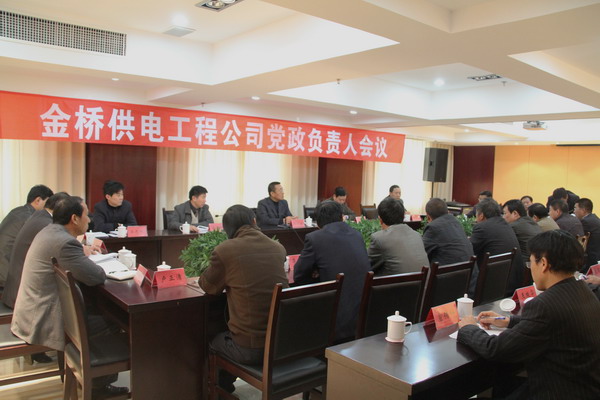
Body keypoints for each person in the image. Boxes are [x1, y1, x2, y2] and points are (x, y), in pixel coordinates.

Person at [458, 230, 600, 400]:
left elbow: (497, 349)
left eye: (531, 262)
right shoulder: (584, 291)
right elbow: (551, 324)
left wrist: (469, 328)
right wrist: (507, 320)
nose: (530, 267)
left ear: (543, 263)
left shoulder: (545, 305)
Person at [11, 196, 127, 398]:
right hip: (43, 316)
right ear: (74, 218)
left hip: (33, 307)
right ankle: (99, 387)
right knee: (113, 319)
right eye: (86, 215)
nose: (89, 219)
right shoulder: (64, 242)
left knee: (97, 310)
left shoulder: (50, 231)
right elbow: (95, 276)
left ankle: (90, 377)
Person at [199, 205, 288, 394]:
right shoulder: (278, 248)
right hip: (281, 343)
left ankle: (218, 392)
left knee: (211, 339)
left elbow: (207, 286)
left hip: (251, 349)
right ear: (254, 221)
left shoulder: (225, 250)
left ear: (227, 230)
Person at [294, 201, 370, 342]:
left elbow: (298, 275)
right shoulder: (357, 235)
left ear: (317, 223)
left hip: (335, 320)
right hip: (364, 317)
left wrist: (318, 279)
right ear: (342, 217)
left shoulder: (315, 238)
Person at [2, 192, 71, 309]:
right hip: (20, 294)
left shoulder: (37, 215)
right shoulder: (46, 223)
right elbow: (61, 250)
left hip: (12, 282)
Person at [0, 184, 53, 288]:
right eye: (48, 203)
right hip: (7, 274)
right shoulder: (31, 218)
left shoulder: (18, 210)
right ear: (38, 200)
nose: (49, 209)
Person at [470, 198, 523, 296]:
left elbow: (469, 251)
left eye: (476, 215)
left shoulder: (482, 227)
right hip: (512, 282)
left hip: (493, 286)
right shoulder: (506, 225)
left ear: (481, 215)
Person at [368, 197, 429, 276]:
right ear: (403, 217)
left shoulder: (379, 239)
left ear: (380, 220)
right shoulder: (416, 235)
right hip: (425, 283)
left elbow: (366, 266)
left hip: (398, 283)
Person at [422, 198, 473, 266]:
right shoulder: (456, 222)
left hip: (449, 271)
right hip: (470, 270)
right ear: (448, 212)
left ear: (428, 217)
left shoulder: (433, 227)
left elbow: (421, 253)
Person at [502, 199, 542, 266]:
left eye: (505, 213)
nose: (503, 217)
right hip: (537, 263)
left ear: (515, 213)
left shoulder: (513, 226)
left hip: (524, 265)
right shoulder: (531, 221)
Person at [574, 198, 600, 272]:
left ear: (583, 210)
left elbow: (576, 236)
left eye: (575, 208)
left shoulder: (586, 221)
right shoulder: (593, 218)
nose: (574, 211)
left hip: (592, 257)